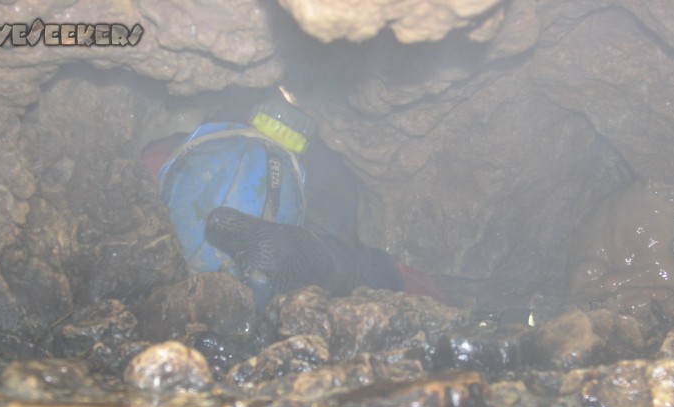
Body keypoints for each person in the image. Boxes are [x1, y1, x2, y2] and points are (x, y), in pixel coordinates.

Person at [141, 90, 447, 308]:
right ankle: (323, 267)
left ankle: (320, 265)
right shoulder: (296, 177)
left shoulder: (186, 145)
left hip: (168, 261)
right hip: (266, 270)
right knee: (342, 265)